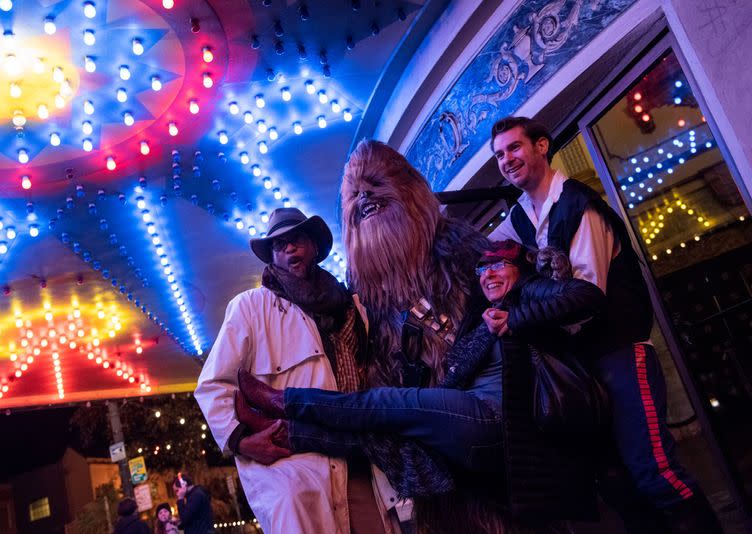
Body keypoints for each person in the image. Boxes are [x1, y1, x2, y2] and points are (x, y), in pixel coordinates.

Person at [235, 239, 607, 527]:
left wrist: (517, 317)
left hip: (495, 421)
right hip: (479, 432)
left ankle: (285, 400)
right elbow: (457, 371)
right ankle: (287, 432)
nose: (489, 274)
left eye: (499, 265)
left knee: (384, 403)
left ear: (520, 270)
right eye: (483, 268)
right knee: (378, 439)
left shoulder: (528, 294)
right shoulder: (481, 317)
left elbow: (587, 296)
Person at [486, 115, 722, 533]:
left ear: (542, 147)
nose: (507, 159)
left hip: (620, 352)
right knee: (616, 486)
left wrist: (516, 318)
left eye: (515, 147)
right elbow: (481, 255)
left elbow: (587, 296)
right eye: (500, 154)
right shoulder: (521, 218)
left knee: (652, 471)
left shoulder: (578, 204)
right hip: (580, 366)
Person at [194, 207, 400, 534]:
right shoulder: (251, 308)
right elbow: (213, 386)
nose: (289, 248)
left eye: (297, 239)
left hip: (359, 456)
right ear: (272, 257)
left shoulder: (351, 308)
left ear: (314, 246)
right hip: (292, 463)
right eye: (279, 244)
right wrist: (241, 441)